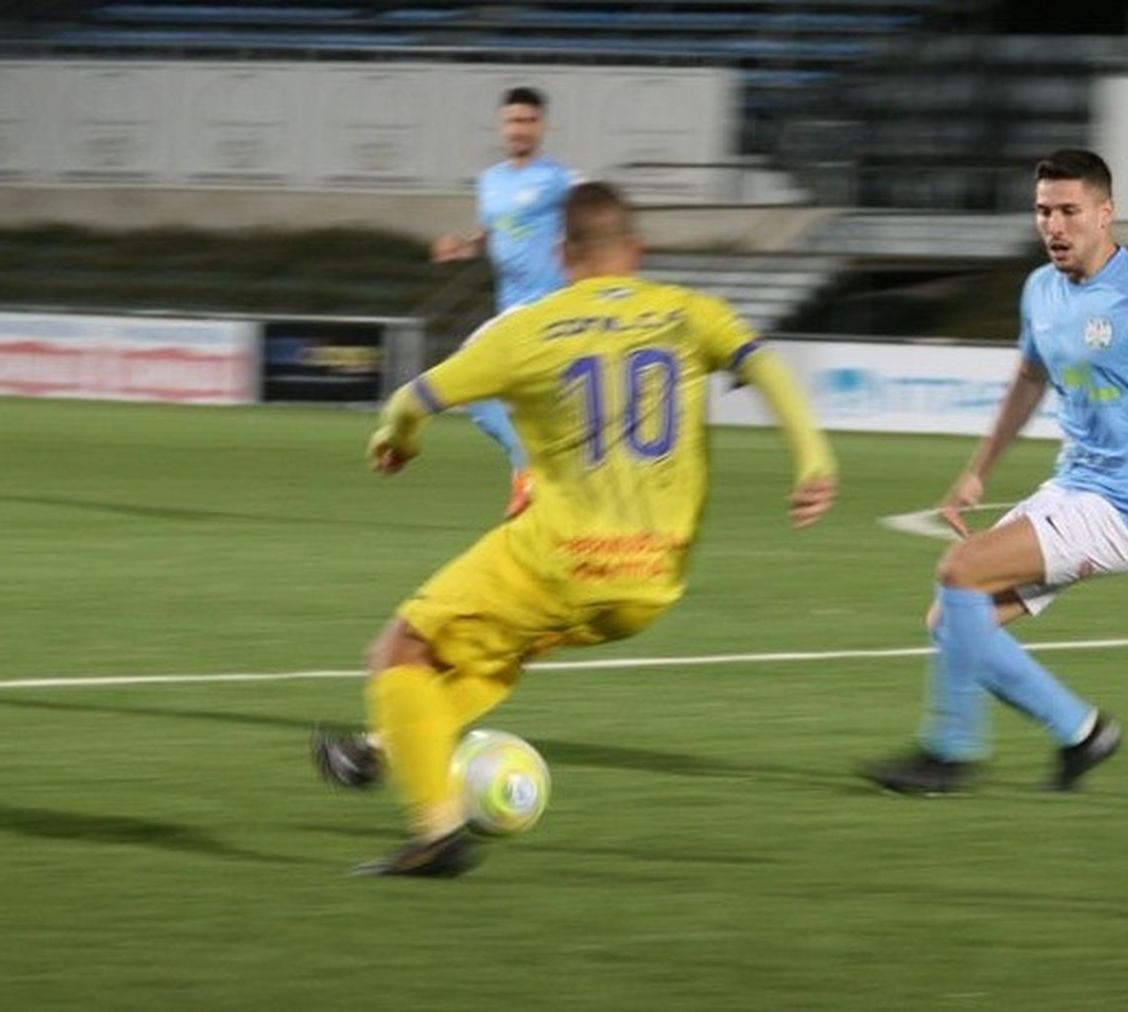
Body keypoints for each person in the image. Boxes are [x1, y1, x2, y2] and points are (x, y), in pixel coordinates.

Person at [315, 182, 838, 876]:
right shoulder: (688, 313)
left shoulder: (527, 330)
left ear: (563, 255)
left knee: (400, 652)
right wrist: (812, 459)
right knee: (488, 655)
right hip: (650, 584)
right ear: (637, 249)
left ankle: (436, 832)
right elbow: (764, 364)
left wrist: (398, 440)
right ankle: (383, 746)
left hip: (559, 561)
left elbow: (412, 400)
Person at [861, 149, 1128, 795]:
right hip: (1072, 489)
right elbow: (1029, 379)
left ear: (1105, 212)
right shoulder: (1040, 289)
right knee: (951, 622)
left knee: (959, 569)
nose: (1055, 226)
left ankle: (950, 754)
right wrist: (975, 472)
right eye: (1043, 211)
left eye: (1069, 211)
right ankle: (1083, 732)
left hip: (1127, 509)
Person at [431, 86, 581, 517]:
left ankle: (526, 466)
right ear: (502, 127)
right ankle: (545, 481)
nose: (519, 129)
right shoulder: (491, 181)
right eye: (513, 121)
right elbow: (494, 231)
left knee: (468, 378)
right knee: (511, 401)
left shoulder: (559, 179)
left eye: (528, 121)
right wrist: (463, 246)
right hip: (510, 307)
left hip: (545, 305)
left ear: (542, 127)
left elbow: (597, 207)